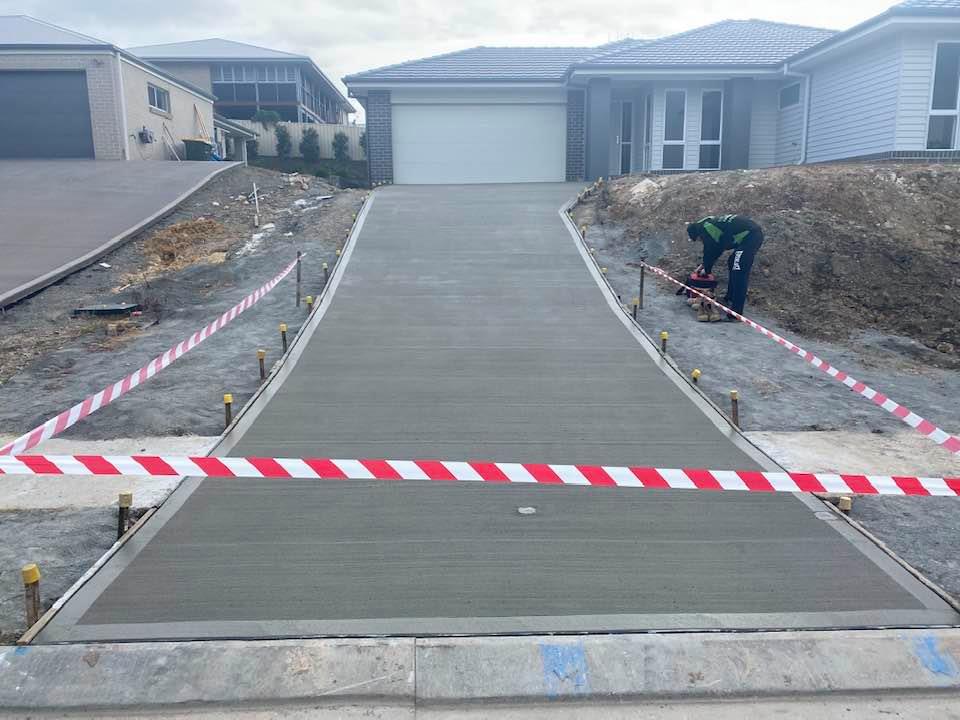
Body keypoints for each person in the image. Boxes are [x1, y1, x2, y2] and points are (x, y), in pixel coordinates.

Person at [686, 214, 764, 318]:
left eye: (699, 239)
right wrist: (705, 265)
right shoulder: (707, 224)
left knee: (738, 269)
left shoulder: (706, 229)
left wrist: (707, 269)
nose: (701, 241)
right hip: (749, 235)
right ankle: (729, 298)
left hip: (751, 236)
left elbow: (710, 250)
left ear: (698, 234)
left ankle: (736, 313)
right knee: (732, 261)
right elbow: (718, 248)